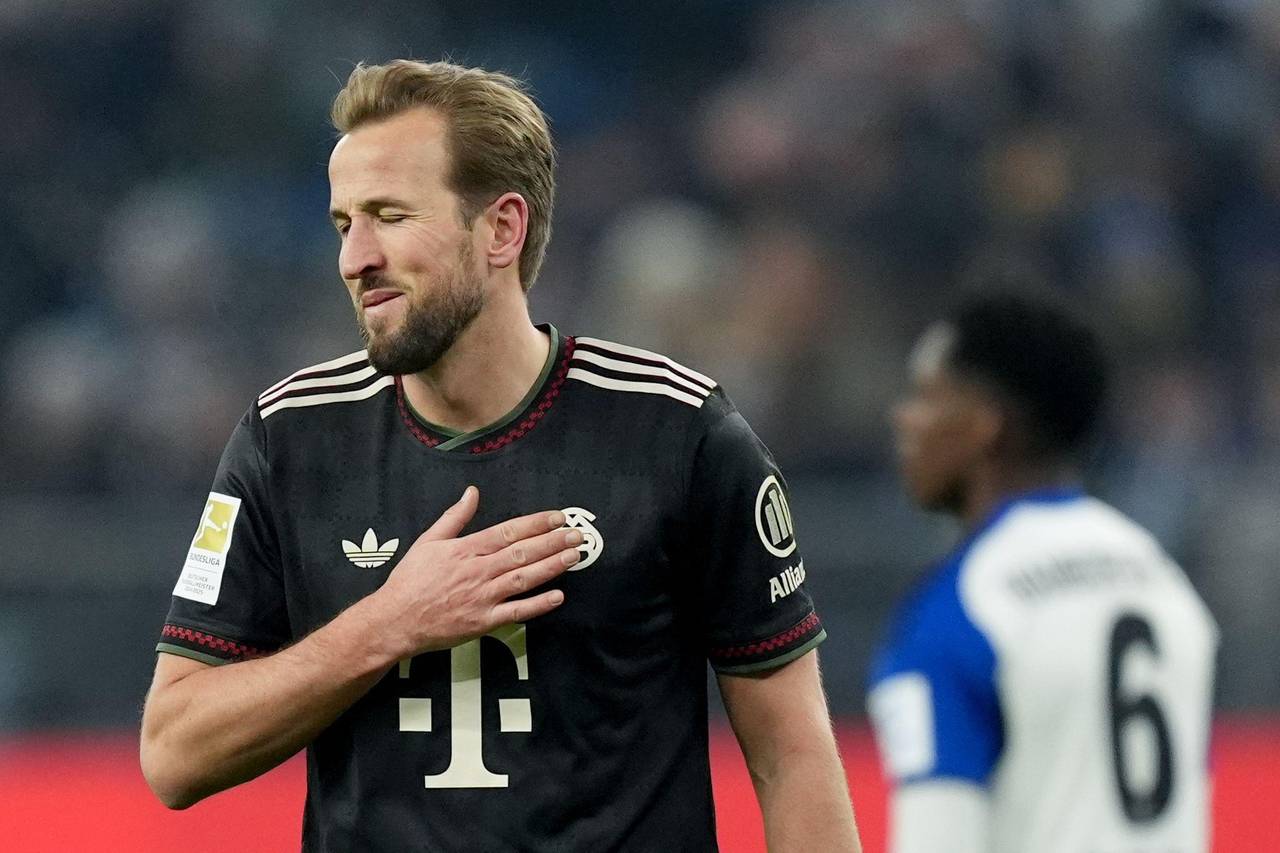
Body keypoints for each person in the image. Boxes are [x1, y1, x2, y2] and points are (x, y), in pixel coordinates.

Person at [138, 59, 860, 852]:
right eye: (344, 224)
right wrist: (387, 624)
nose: (356, 257)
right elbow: (174, 753)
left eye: (389, 215)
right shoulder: (289, 438)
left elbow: (793, 756)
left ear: (502, 229)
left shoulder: (679, 433)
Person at [867, 291, 1218, 853]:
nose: (903, 418)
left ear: (983, 426)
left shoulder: (961, 607)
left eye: (927, 397)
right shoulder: (1163, 581)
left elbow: (937, 835)